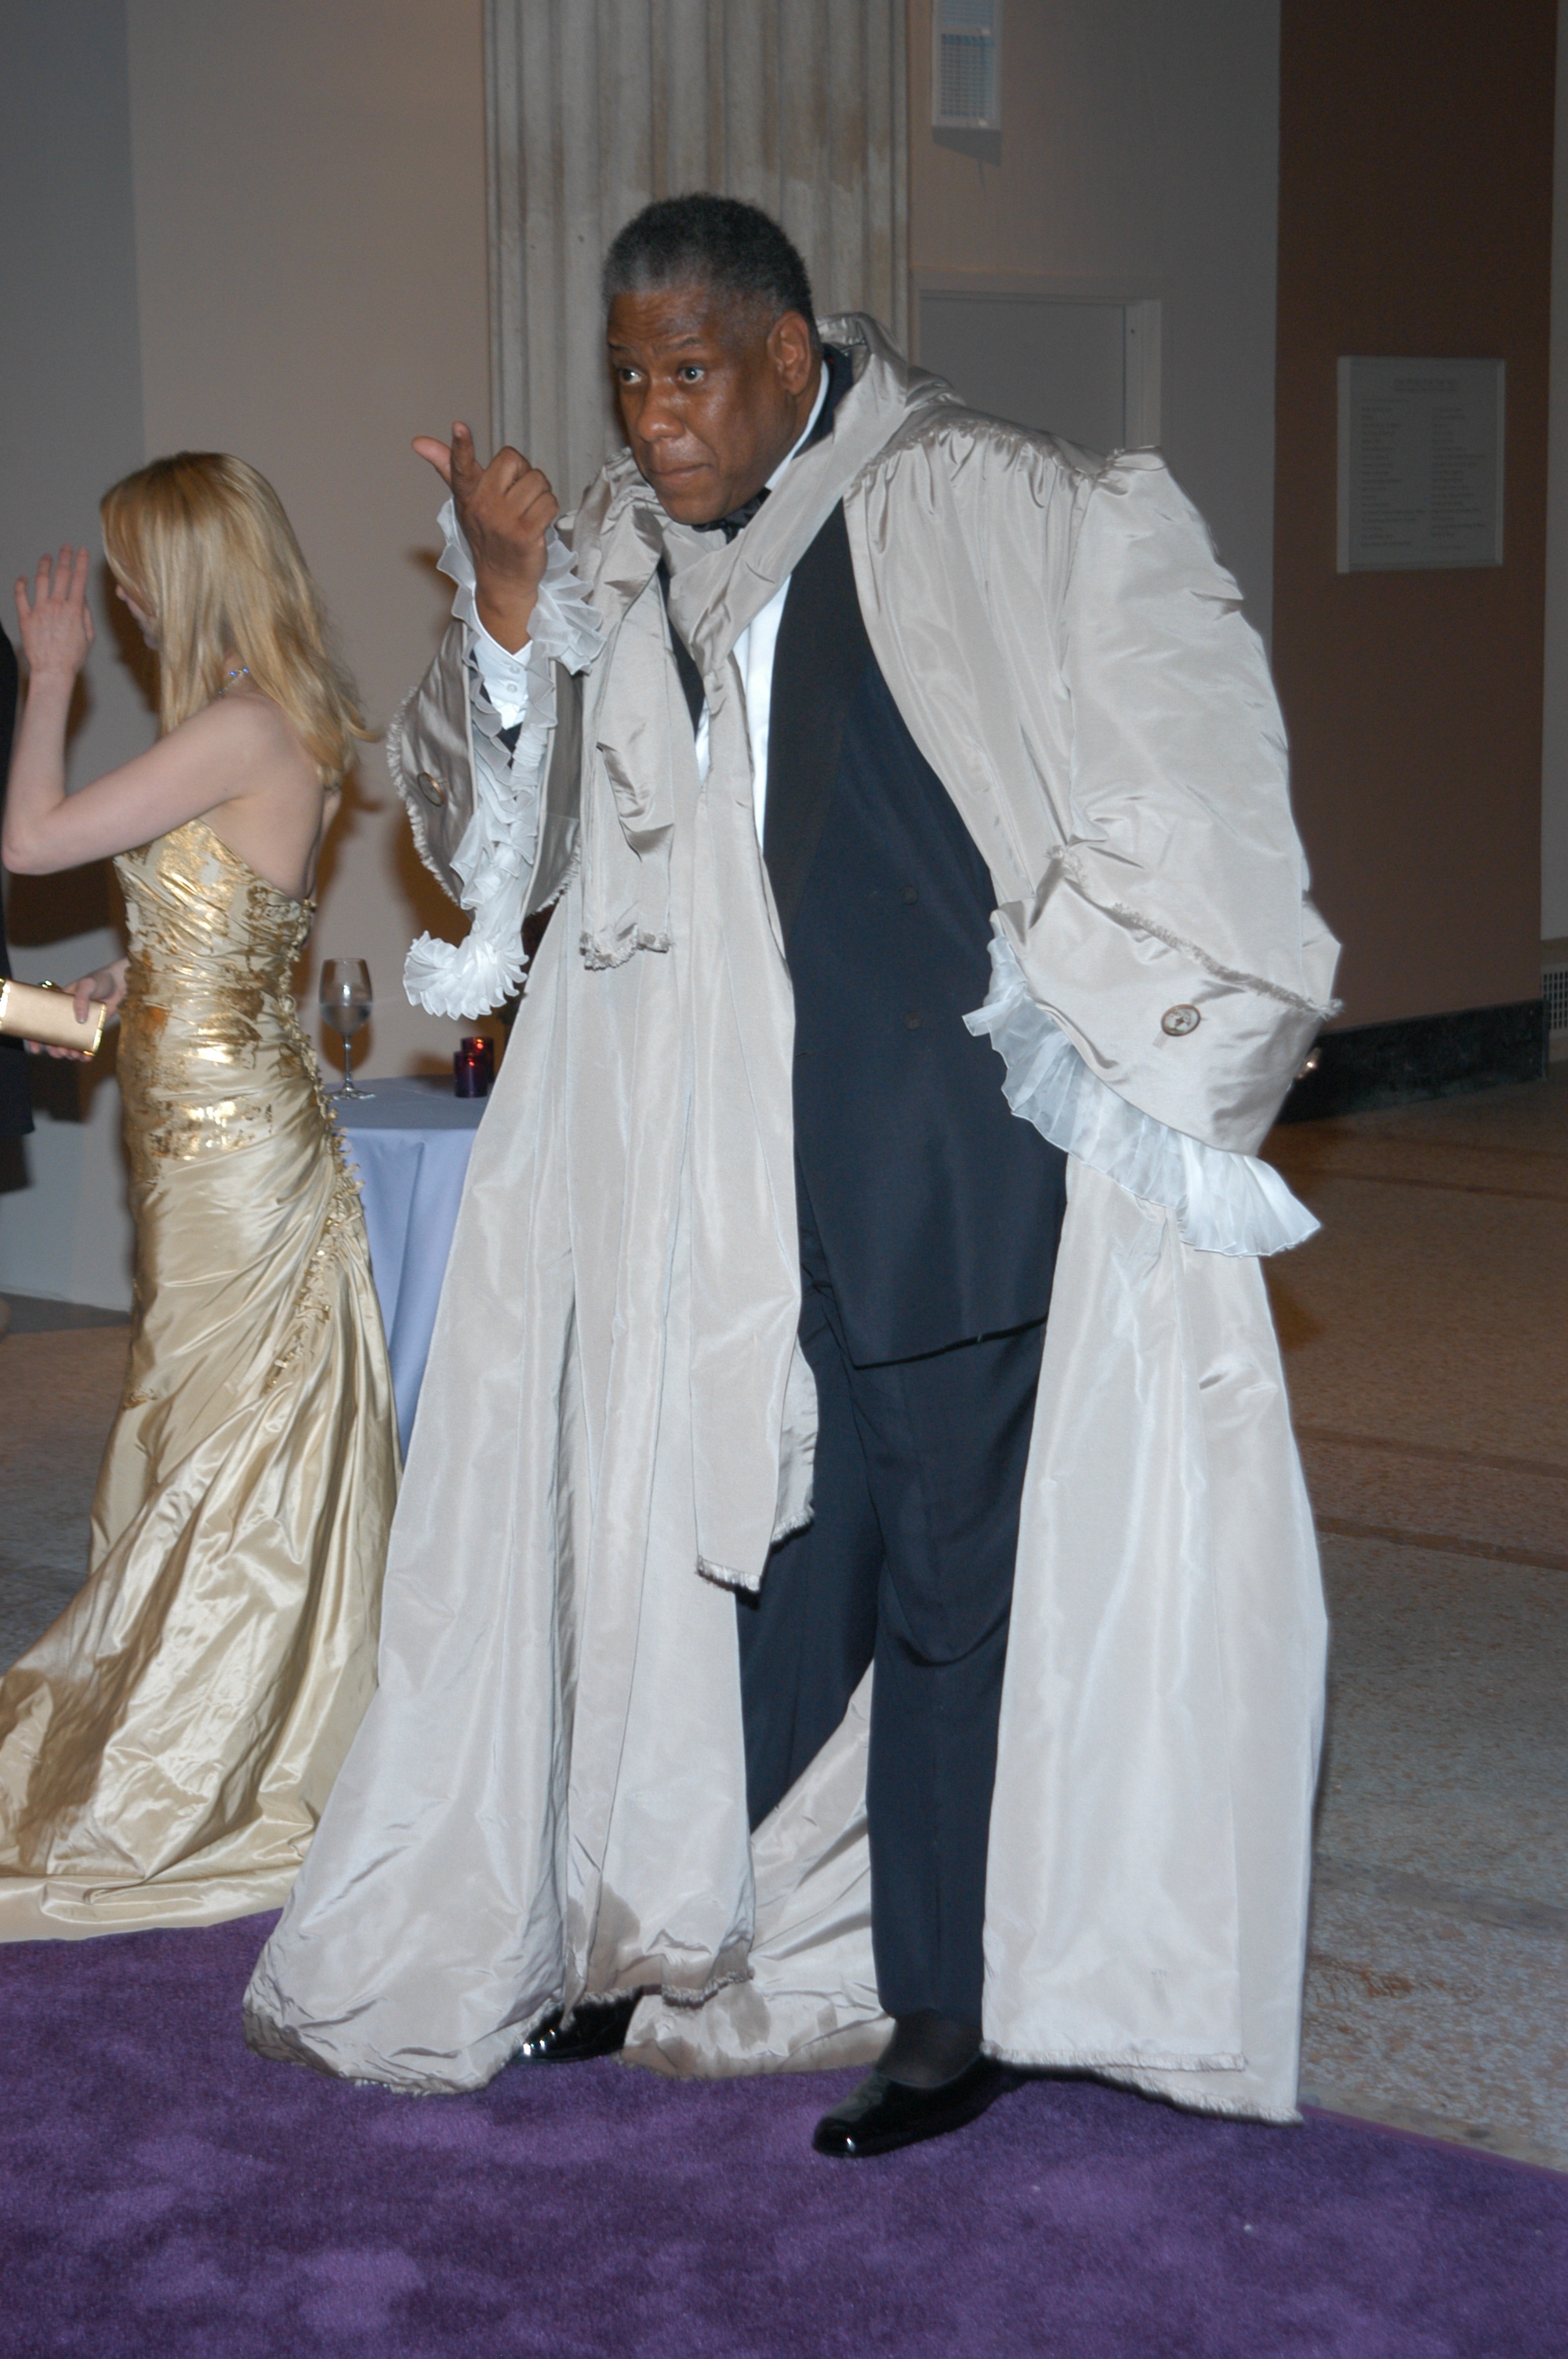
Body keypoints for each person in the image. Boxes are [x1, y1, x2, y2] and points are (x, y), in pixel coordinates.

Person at [246, 198, 1338, 2157]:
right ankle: (648, 1922)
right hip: (710, 1183)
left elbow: (1186, 760)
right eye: (628, 380)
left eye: (688, 375)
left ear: (782, 353)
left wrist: (1096, 1017)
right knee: (744, 1569)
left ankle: (946, 2007)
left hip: (936, 1166)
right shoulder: (602, 548)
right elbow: (480, 826)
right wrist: (506, 609)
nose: (655, 419)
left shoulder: (984, 499)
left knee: (938, 1579)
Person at [0, 453, 399, 1940]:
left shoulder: (245, 721)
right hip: (195, 1133)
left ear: (195, 569)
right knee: (191, 1428)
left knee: (220, 1443)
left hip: (235, 1151)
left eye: (131, 571)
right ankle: (184, 1701)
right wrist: (116, 975)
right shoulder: (245, 723)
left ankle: (221, 1744)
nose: (111, 600)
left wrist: (45, 681)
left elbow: (30, 843)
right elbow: (223, 918)